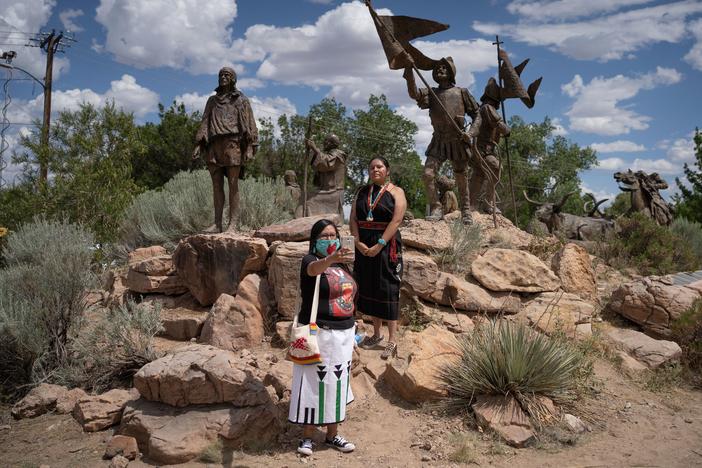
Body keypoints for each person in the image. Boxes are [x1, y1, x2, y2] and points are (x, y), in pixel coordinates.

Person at [289, 219, 357, 456]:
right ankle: (307, 438)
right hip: (319, 333)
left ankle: (332, 435)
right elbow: (314, 270)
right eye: (324, 236)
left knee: (336, 383)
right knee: (312, 382)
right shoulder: (310, 261)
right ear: (314, 240)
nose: (330, 239)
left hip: (344, 334)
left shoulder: (345, 265)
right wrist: (330, 259)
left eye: (333, 235)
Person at [403, 57, 478, 223]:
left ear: (451, 71)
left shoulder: (462, 92)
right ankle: (436, 207)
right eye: (437, 67)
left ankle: (465, 210)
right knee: (428, 174)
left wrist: (471, 133)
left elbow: (477, 114)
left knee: (461, 175)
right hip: (439, 140)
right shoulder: (432, 93)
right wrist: (409, 70)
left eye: (444, 67)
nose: (440, 69)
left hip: (458, 140)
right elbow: (414, 93)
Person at [350, 157, 407, 359]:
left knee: (388, 288)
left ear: (387, 170)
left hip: (386, 245)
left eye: (379, 167)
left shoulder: (396, 192)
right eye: (372, 167)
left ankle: (392, 340)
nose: (375, 170)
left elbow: (397, 219)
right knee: (371, 286)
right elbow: (353, 219)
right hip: (364, 244)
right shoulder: (362, 192)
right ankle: (376, 334)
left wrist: (380, 244)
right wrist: (357, 242)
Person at [193, 66, 258, 232]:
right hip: (214, 145)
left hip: (232, 143)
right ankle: (217, 223)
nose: (223, 77)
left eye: (226, 75)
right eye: (221, 75)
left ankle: (233, 225)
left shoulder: (241, 100)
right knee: (216, 186)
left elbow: (250, 124)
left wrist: (250, 146)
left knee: (233, 184)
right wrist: (198, 145)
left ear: (233, 79)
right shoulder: (212, 101)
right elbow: (205, 122)